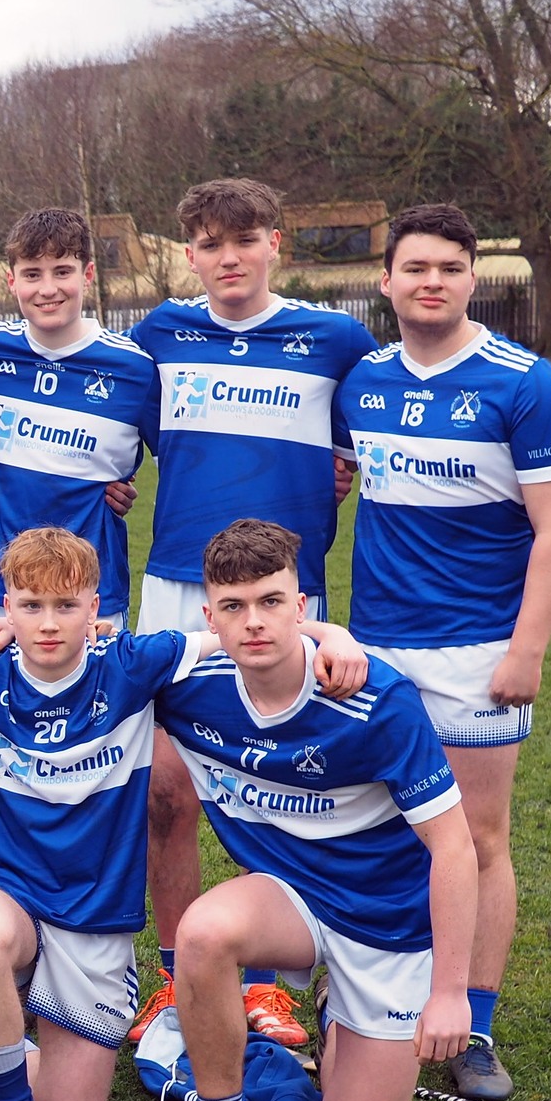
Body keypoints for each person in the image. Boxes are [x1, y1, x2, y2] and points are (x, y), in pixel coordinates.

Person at [0, 527, 366, 1101]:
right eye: (29, 606)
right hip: (3, 888)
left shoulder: (134, 663)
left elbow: (245, 633)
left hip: (91, 912)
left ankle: (29, 1027)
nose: (47, 624)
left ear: (95, 609)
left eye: (65, 606)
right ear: (5, 607)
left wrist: (334, 636)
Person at [335, 203, 551, 1101]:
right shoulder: (362, 381)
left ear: (473, 278)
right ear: (387, 281)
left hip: (478, 651)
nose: (432, 281)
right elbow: (338, 474)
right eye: (415, 267)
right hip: (375, 648)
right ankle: (363, 994)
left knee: (477, 838)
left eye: (449, 267)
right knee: (373, 826)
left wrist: (528, 651)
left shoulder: (524, 383)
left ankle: (474, 1026)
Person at [124, 180, 380, 1050]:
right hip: (177, 590)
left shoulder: (338, 340)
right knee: (167, 795)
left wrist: (343, 466)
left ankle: (267, 984)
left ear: (277, 243)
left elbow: (373, 438)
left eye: (244, 240)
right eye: (209, 243)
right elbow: (107, 416)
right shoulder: (158, 335)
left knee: (276, 786)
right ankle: (174, 976)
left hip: (286, 596)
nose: (227, 257)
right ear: (188, 254)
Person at [152, 518, 475, 1101]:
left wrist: (450, 993)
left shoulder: (376, 701)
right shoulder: (186, 683)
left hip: (387, 920)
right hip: (289, 895)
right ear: (209, 618)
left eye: (271, 602)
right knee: (204, 932)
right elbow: (71, 652)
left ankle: (338, 1012)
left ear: (300, 607)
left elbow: (453, 845)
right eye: (234, 607)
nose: (254, 622)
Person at [0, 208, 157, 634]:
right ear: (11, 280)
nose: (48, 289)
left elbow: (185, 461)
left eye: (62, 271)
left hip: (92, 596)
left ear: (88, 274)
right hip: (0, 593)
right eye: (32, 274)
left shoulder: (136, 370)